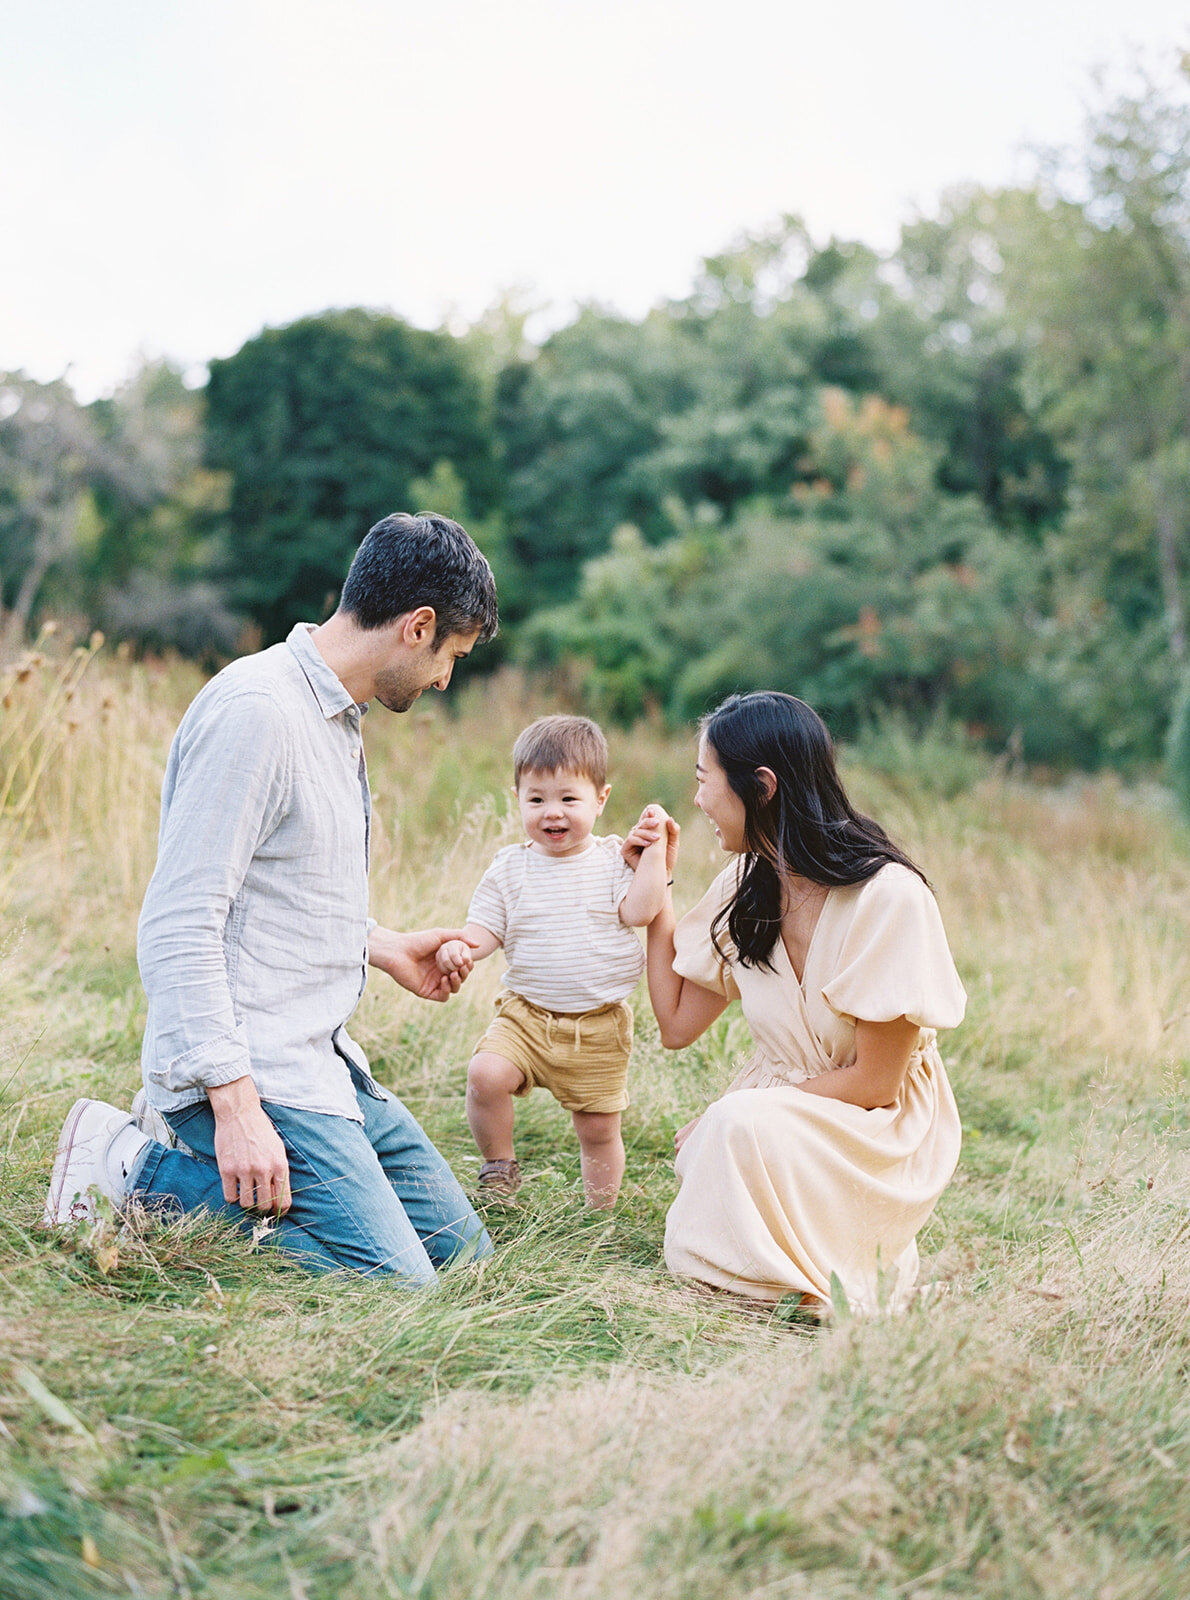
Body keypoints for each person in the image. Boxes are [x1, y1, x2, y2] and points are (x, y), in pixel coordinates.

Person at [44, 511, 499, 1284]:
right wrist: (235, 1107)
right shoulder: (259, 711)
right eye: (450, 655)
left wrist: (384, 947)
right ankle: (130, 1169)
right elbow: (180, 923)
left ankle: (201, 1165)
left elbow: (279, 892)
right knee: (398, 1288)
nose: (444, 680)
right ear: (418, 627)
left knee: (463, 1256)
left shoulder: (335, 719)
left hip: (322, 1059)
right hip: (257, 1070)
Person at [624, 691, 966, 1315]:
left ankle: (804, 1281)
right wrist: (657, 884)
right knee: (724, 1138)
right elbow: (674, 1024)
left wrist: (739, 1111)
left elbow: (876, 1084)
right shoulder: (747, 883)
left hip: (871, 1128)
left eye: (705, 781)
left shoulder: (888, 898)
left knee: (728, 1130)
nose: (697, 800)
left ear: (762, 786)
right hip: (779, 1115)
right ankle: (779, 1276)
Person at [434, 715, 670, 1209]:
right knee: (485, 1075)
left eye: (568, 799)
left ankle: (598, 1212)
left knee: (599, 1128)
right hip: (525, 1016)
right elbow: (485, 930)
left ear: (600, 799)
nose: (552, 813)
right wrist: (462, 947)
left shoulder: (611, 861)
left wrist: (653, 855)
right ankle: (499, 1168)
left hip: (598, 1026)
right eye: (536, 799)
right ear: (516, 797)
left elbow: (642, 910)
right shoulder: (509, 868)